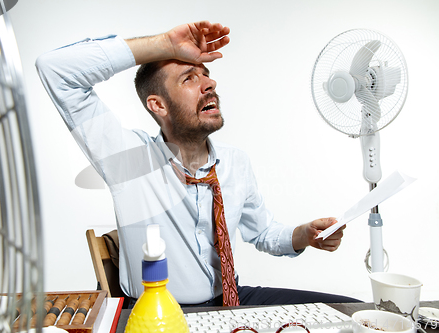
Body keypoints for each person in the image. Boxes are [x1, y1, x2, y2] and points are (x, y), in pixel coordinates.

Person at [36, 21, 359, 306]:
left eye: (206, 75)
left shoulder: (235, 162)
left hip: (231, 298)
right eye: (190, 78)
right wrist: (162, 44)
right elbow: (56, 69)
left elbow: (262, 232)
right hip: (160, 314)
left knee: (350, 312)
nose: (210, 84)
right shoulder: (128, 159)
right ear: (158, 105)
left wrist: (303, 235)